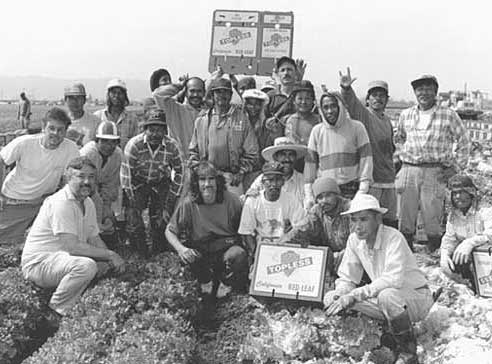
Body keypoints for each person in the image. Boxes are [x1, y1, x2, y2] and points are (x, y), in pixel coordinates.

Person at [324, 193, 433, 364]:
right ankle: (372, 340)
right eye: (354, 220)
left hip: (416, 299)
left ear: (377, 219)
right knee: (332, 297)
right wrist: (340, 294)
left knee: (387, 295)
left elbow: (392, 280)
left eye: (363, 219)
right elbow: (347, 277)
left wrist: (353, 295)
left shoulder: (394, 238)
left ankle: (408, 353)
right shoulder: (354, 240)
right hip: (386, 301)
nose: (358, 226)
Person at [21, 156, 125, 316]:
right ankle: (55, 311)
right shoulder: (61, 203)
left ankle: (74, 296)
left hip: (60, 261)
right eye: (81, 176)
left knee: (100, 265)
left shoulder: (88, 202)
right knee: (86, 266)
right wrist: (110, 254)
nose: (87, 181)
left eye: (91, 177)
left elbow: (94, 238)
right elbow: (73, 247)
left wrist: (109, 261)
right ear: (68, 178)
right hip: (39, 264)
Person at [395, 74, 470, 251]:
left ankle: (434, 254)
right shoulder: (406, 114)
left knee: (432, 215)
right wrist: (401, 156)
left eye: (428, 89)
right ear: (415, 93)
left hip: (434, 171)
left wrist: (455, 168)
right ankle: (406, 253)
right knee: (406, 214)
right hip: (409, 170)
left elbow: (464, 141)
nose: (424, 93)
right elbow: (398, 137)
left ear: (435, 92)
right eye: (420, 89)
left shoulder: (448, 114)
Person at [165, 161, 248, 298]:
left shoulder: (231, 200)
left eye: (211, 179)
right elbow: (170, 231)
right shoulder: (189, 203)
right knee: (190, 257)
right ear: (196, 183)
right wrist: (181, 249)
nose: (207, 184)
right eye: (202, 180)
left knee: (238, 254)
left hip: (225, 246)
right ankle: (206, 282)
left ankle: (225, 282)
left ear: (218, 181)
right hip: (201, 249)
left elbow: (244, 229)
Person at [0, 107, 79, 243]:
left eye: (61, 130)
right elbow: (1, 161)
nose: (55, 133)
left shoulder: (71, 148)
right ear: (43, 127)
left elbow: (75, 175)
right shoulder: (24, 143)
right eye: (51, 128)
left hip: (44, 202)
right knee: (6, 239)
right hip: (14, 200)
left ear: (66, 131)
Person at [339, 68, 398, 228]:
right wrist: (346, 89)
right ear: (368, 99)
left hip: (389, 181)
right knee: (371, 222)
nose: (378, 99)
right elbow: (351, 103)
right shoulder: (365, 115)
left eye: (382, 95)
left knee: (390, 221)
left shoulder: (387, 121)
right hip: (372, 182)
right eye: (374, 95)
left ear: (387, 99)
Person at [121, 109, 184, 256]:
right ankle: (139, 250)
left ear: (165, 131)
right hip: (138, 182)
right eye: (152, 130)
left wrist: (171, 198)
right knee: (134, 218)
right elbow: (126, 176)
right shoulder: (134, 145)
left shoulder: (172, 145)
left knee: (162, 217)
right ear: (145, 129)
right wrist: (132, 202)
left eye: (160, 130)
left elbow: (181, 171)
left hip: (160, 181)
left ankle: (158, 250)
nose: (155, 134)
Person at [188, 78, 259, 196]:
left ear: (231, 95)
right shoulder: (201, 120)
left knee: (235, 212)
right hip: (207, 178)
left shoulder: (241, 118)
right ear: (212, 94)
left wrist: (240, 172)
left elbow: (252, 152)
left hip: (232, 179)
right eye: (218, 92)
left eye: (225, 92)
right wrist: (200, 171)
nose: (222, 95)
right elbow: (193, 152)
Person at [304, 92, 373, 206]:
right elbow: (310, 164)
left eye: (333, 106)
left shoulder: (357, 127)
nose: (330, 111)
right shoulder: (317, 131)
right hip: (325, 191)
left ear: (340, 106)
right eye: (325, 107)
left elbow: (366, 159)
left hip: (351, 189)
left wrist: (362, 190)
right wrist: (309, 195)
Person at [239, 161, 307, 260]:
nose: (274, 184)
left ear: (283, 181)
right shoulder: (253, 201)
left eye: (278, 180)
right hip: (261, 250)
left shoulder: (291, 199)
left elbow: (301, 227)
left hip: (286, 250)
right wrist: (255, 255)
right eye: (269, 180)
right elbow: (246, 232)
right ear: (262, 182)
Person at [282, 177, 350, 275]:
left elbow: (357, 243)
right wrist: (280, 243)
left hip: (350, 259)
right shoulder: (317, 210)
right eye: (320, 197)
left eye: (328, 195)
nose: (324, 201)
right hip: (328, 259)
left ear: (337, 195)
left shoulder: (350, 209)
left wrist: (339, 256)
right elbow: (301, 229)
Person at [440, 174, 492, 290]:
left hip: (487, 259)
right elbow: (449, 239)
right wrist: (444, 254)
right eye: (454, 193)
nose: (458, 197)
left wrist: (470, 242)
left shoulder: (485, 210)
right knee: (453, 262)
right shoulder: (453, 215)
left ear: (471, 193)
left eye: (462, 192)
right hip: (470, 262)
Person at [79, 121, 122, 234]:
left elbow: (112, 183)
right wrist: (98, 206)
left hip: (101, 191)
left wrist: (106, 208)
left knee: (110, 217)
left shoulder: (118, 155)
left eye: (113, 142)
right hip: (83, 190)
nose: (109, 146)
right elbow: (82, 182)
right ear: (97, 141)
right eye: (104, 141)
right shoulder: (87, 153)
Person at [153, 77, 206, 158]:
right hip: (180, 165)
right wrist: (179, 86)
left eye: (199, 91)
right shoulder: (174, 110)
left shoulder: (208, 113)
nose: (196, 95)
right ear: (186, 92)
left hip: (204, 166)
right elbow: (157, 94)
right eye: (192, 91)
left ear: (204, 93)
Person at [245, 136, 307, 205]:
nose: (287, 159)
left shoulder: (303, 181)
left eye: (291, 155)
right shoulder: (263, 179)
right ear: (275, 157)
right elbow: (250, 199)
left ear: (295, 158)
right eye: (283, 154)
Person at [94, 78, 139, 151]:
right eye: (113, 92)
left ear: (125, 96)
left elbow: (135, 144)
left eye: (120, 93)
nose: (116, 96)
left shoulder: (132, 119)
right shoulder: (98, 116)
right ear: (108, 95)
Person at [241, 88, 272, 190]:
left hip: (259, 172)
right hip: (239, 172)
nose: (253, 107)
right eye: (250, 104)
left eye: (257, 104)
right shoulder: (239, 123)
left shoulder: (267, 126)